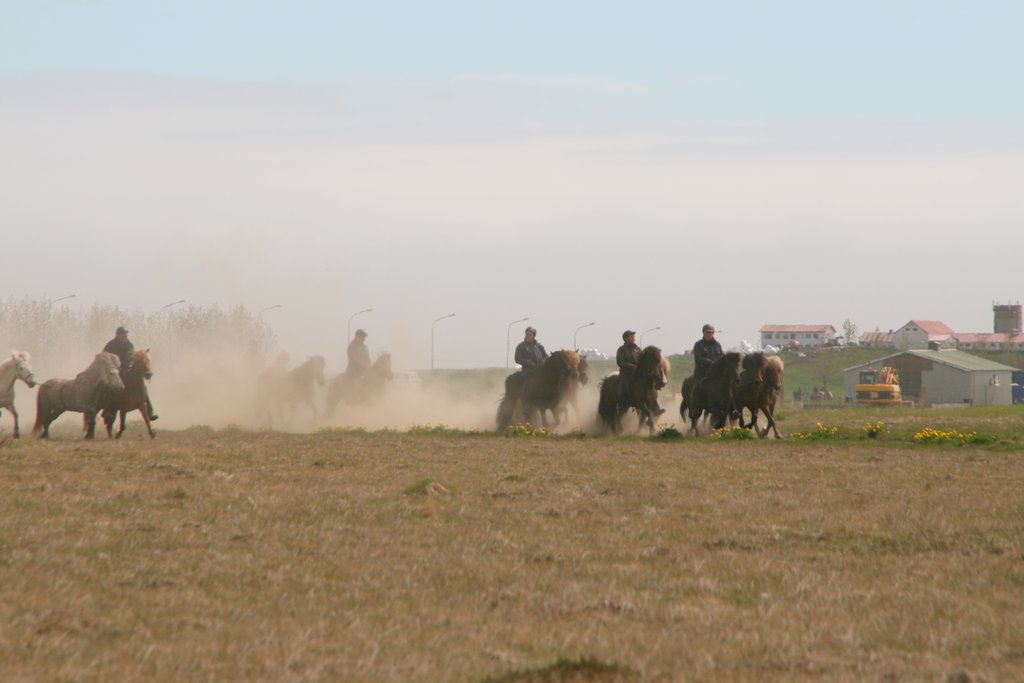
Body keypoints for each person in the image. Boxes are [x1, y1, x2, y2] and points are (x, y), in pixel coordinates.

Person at [103, 325, 158, 420]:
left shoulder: (129, 345)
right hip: (114, 371)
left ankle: (150, 411)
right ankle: (108, 411)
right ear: (118, 335)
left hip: (127, 370)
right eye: (123, 335)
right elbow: (105, 357)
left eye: (125, 335)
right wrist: (113, 368)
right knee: (110, 388)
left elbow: (131, 357)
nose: (124, 337)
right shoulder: (110, 345)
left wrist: (127, 367)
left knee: (143, 387)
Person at [617, 330, 665, 416]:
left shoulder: (637, 349)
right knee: (624, 385)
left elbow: (643, 359)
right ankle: (621, 405)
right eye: (631, 336)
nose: (633, 337)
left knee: (650, 382)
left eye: (633, 336)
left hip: (638, 372)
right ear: (626, 339)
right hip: (627, 373)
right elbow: (620, 362)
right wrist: (633, 367)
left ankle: (656, 408)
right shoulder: (622, 349)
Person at [690, 323, 723, 419]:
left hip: (715, 374)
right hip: (702, 373)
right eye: (707, 332)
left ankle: (733, 409)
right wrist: (710, 362)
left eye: (711, 332)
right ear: (703, 333)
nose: (709, 334)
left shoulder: (717, 345)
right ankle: (695, 408)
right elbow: (698, 358)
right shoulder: (698, 345)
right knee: (696, 387)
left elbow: (721, 357)